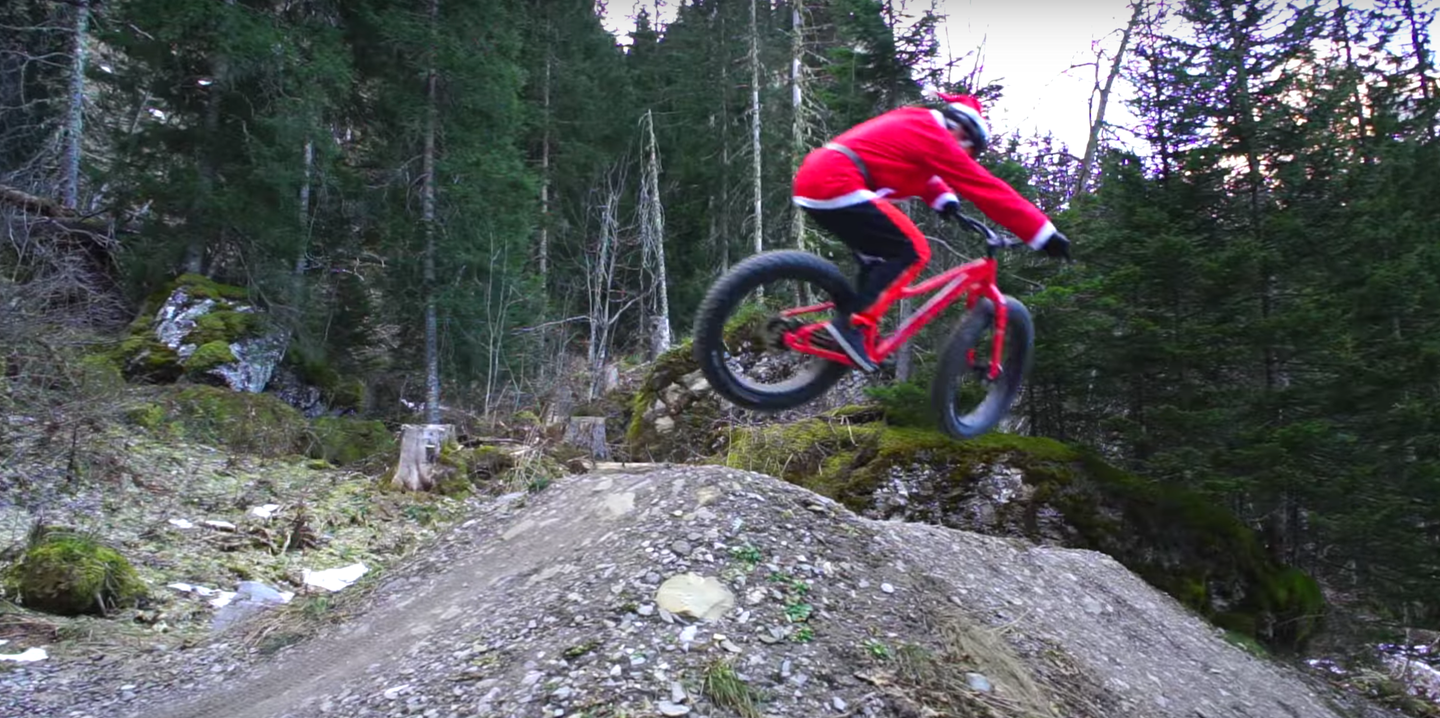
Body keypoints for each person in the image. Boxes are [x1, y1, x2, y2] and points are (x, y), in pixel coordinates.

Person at [791, 89, 1071, 372]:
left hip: (817, 180)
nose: (965, 155)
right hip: (838, 182)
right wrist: (1042, 234)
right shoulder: (933, 132)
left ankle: (852, 330)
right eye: (970, 151)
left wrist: (944, 200)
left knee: (881, 259)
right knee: (913, 250)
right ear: (963, 133)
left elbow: (914, 167)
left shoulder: (919, 124)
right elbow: (986, 188)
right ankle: (853, 326)